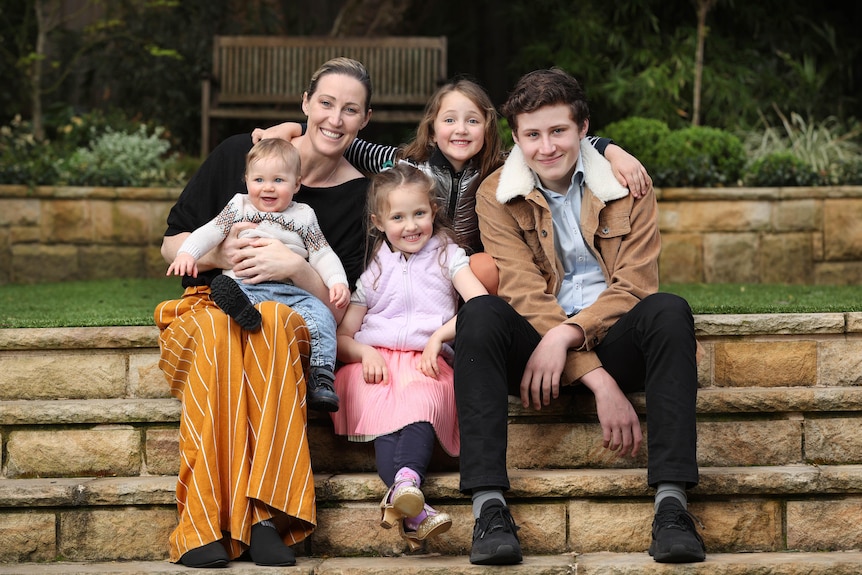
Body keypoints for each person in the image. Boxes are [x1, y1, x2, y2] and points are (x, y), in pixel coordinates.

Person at [454, 67, 705, 565]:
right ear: (516, 137)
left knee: (670, 310)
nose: (545, 147)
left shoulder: (628, 185)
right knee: (479, 314)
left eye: (558, 131)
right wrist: (598, 382)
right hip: (534, 348)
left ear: (583, 127)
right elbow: (522, 290)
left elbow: (634, 286)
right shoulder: (496, 193)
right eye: (532, 134)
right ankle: (488, 508)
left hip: (610, 334)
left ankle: (673, 505)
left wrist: (569, 335)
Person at [153, 57, 372, 568]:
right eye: (325, 104)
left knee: (271, 329)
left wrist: (295, 266)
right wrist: (219, 255)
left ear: (365, 119)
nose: (335, 119)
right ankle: (206, 523)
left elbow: (339, 306)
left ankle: (268, 518)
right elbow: (172, 244)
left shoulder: (359, 197)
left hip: (293, 311)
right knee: (220, 335)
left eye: (350, 110)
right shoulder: (240, 155)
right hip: (213, 298)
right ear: (305, 104)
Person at [253, 76, 652, 291]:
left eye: (472, 121)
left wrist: (611, 149)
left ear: (488, 127)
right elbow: (347, 140)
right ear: (433, 127)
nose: (460, 130)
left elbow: (555, 143)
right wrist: (292, 127)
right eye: (449, 120)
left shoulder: (502, 167)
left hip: (468, 270)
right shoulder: (406, 163)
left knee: (485, 267)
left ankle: (465, 335)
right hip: (413, 262)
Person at [331, 163, 488, 551]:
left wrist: (439, 337)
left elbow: (480, 304)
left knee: (419, 406)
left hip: (425, 360)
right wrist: (364, 351)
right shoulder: (373, 270)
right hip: (376, 363)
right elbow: (343, 335)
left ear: (433, 210)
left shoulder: (448, 257)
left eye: (419, 213)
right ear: (378, 222)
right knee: (387, 422)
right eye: (397, 217)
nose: (411, 225)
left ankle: (406, 495)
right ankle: (413, 507)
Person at [165, 138, 350, 412]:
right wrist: (188, 253)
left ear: (296, 184)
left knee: (321, 316)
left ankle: (321, 378)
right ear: (247, 180)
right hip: (246, 283)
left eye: (279, 180)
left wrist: (337, 281)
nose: (268, 187)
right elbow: (211, 230)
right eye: (259, 179)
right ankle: (240, 310)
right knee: (231, 289)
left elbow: (322, 252)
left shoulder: (304, 216)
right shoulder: (239, 206)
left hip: (292, 292)